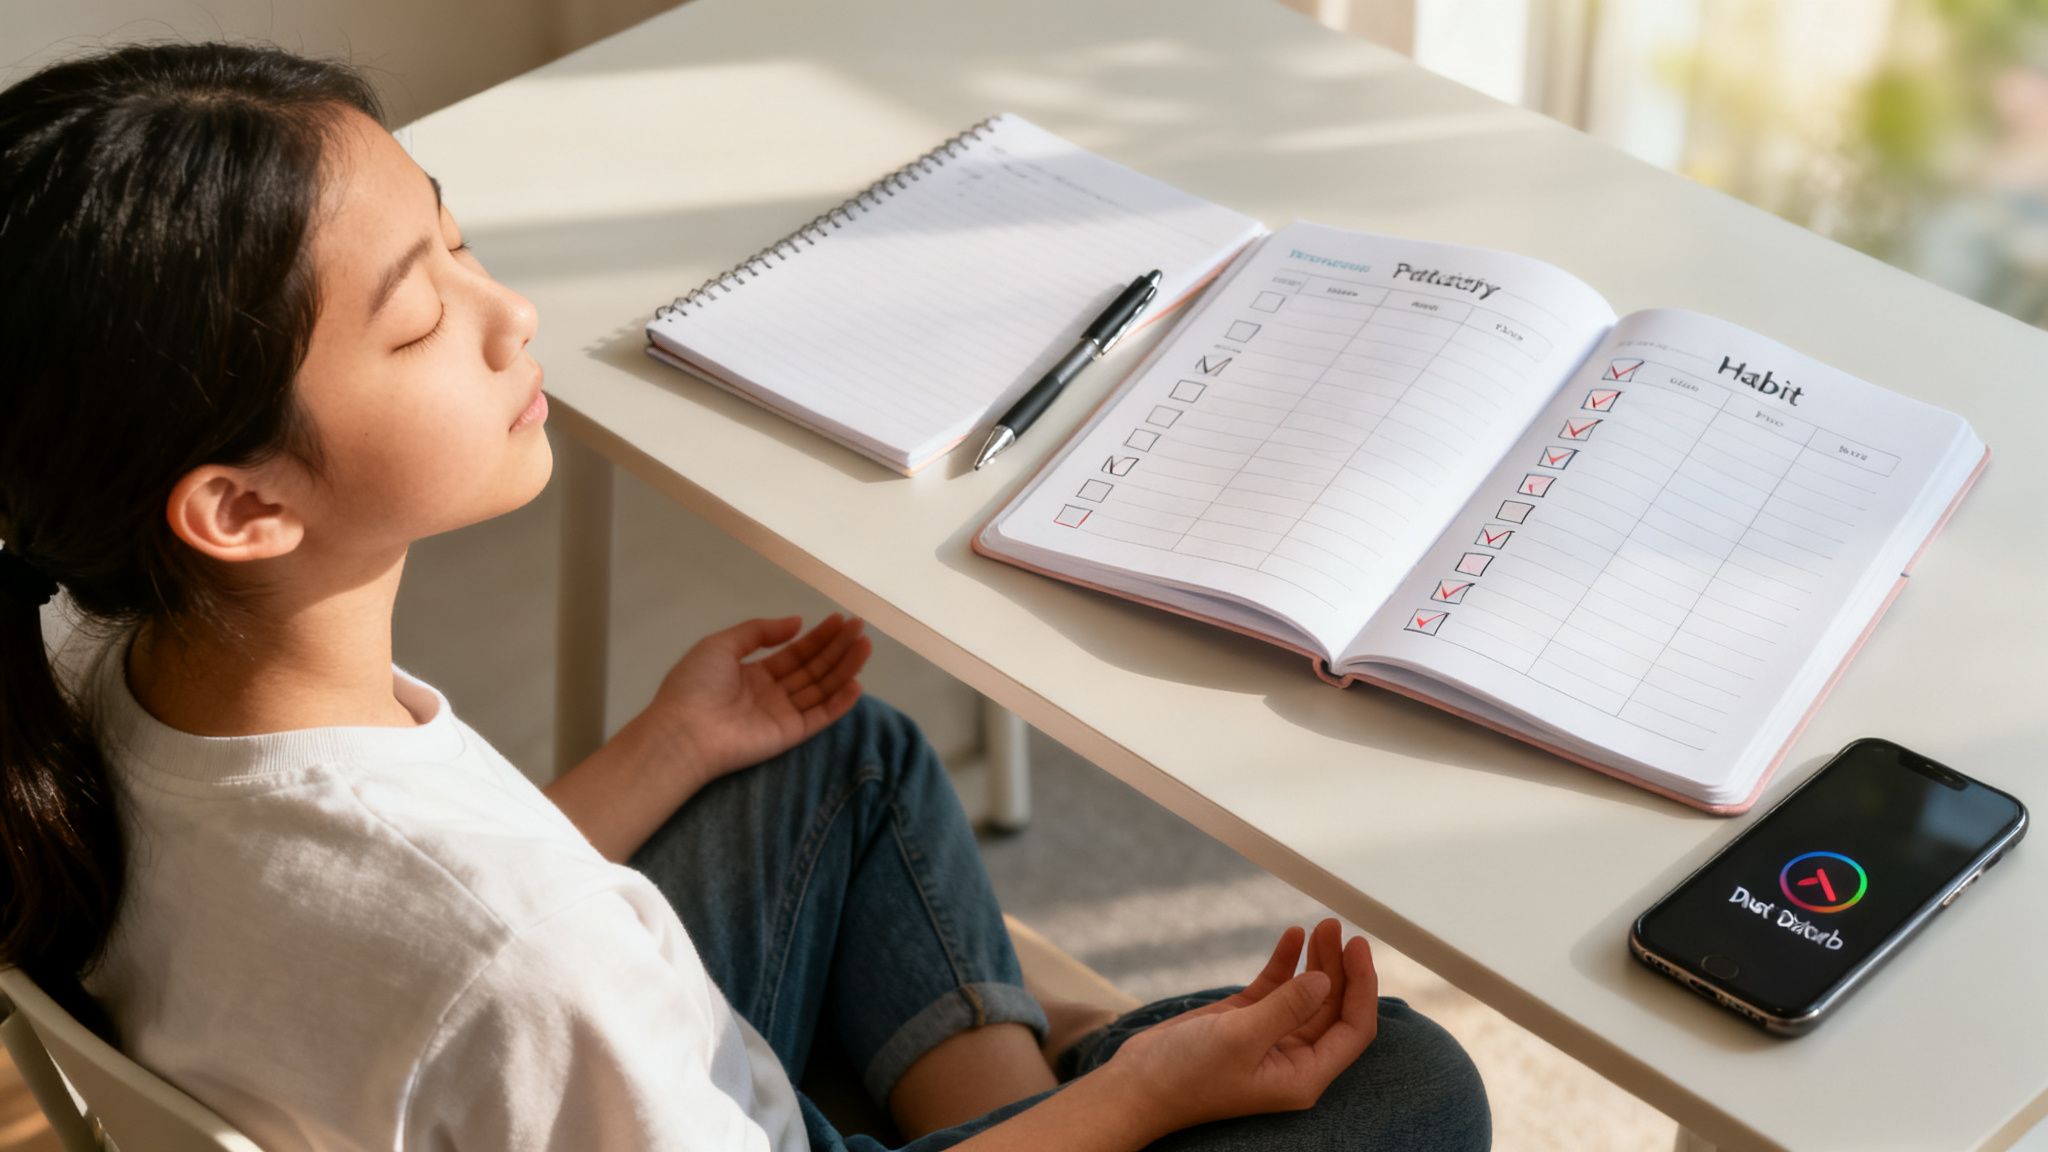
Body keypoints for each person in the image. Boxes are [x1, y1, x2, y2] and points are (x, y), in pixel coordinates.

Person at [0, 42, 1490, 1151]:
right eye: (422, 318)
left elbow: (418, 960)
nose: (509, 314)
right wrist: (1159, 1091)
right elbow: (487, 949)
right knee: (1407, 1085)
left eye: (455, 242)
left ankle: (1009, 1102)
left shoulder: (76, 664)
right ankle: (1027, 1107)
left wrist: (670, 747)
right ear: (242, 507)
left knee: (843, 755)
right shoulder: (522, 954)